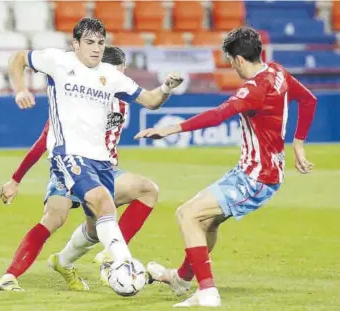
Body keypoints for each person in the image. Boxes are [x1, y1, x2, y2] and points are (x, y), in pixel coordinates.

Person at [0, 17, 183, 292]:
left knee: (104, 220)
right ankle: (120, 262)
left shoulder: (113, 82)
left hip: (101, 164)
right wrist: (20, 89)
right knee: (64, 214)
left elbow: (152, 101)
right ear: (76, 44)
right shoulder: (59, 62)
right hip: (68, 156)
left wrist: (166, 87)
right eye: (90, 42)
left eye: (100, 43)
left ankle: (65, 261)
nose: (96, 48)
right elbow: (19, 58)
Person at [135, 27, 317, 307]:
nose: (232, 67)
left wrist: (172, 128)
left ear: (239, 60)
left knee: (187, 214)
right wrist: (299, 144)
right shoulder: (277, 71)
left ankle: (207, 291)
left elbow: (218, 115)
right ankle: (182, 279)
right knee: (207, 221)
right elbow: (308, 99)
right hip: (252, 170)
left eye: (231, 62)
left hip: (257, 176)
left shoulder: (253, 89)